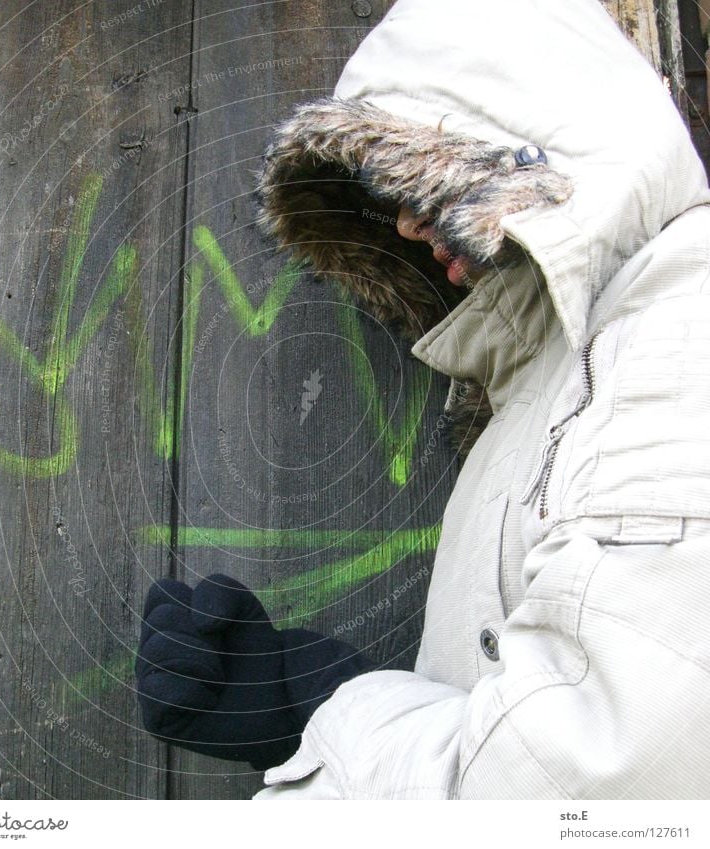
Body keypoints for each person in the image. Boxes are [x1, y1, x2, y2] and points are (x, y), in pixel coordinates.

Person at [135, 0, 710, 799]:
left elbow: (586, 788)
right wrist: (292, 689)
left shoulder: (681, 335)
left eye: (427, 171)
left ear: (547, 128)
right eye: (385, 189)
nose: (404, 224)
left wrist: (326, 707)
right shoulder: (552, 380)